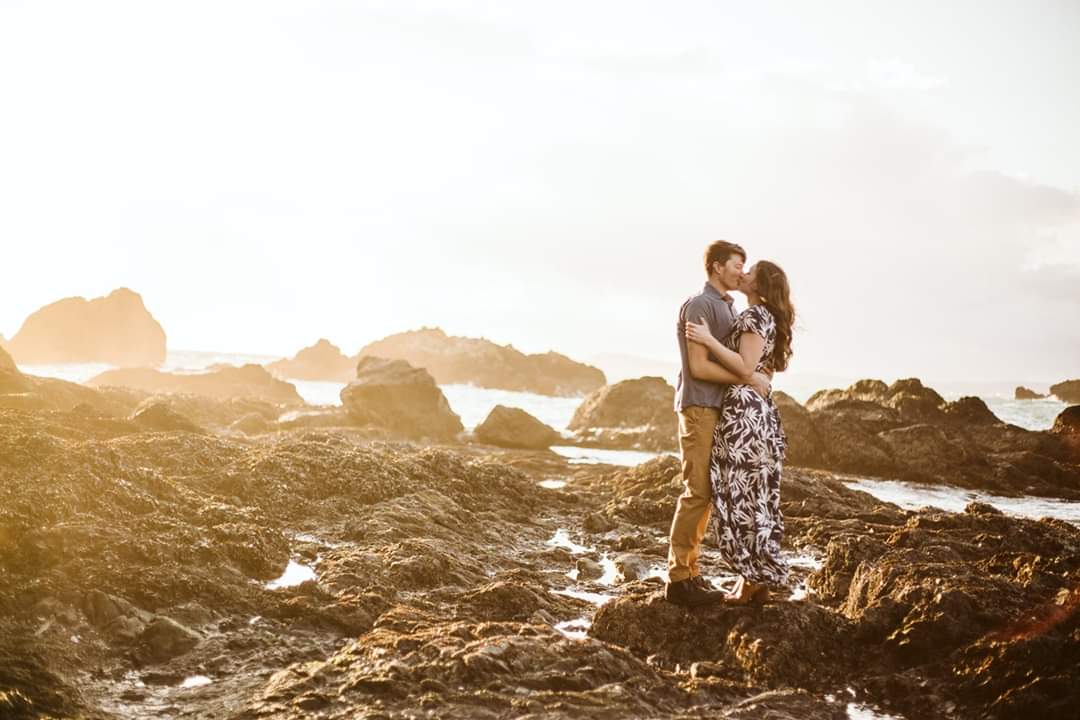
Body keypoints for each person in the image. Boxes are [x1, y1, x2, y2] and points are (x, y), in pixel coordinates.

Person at [665, 241, 772, 607]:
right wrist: (747, 379)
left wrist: (753, 374)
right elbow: (698, 367)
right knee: (696, 492)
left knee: (708, 494)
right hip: (698, 408)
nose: (742, 272)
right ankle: (679, 580)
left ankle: (691, 574)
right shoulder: (700, 305)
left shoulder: (728, 308)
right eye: (737, 265)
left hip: (718, 409)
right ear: (715, 267)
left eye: (744, 266)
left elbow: (739, 360)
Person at [685, 260, 795, 604]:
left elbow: (746, 367)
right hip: (755, 411)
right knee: (751, 494)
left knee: (741, 495)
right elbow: (762, 370)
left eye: (749, 273)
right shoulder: (767, 318)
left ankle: (752, 579)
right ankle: (751, 579)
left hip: (743, 414)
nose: (742, 275)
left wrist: (707, 341)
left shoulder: (753, 316)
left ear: (759, 285)